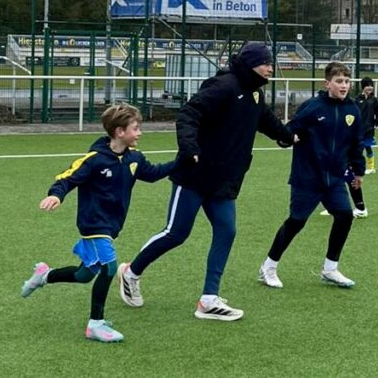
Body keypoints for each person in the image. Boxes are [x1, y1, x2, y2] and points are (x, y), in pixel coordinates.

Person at [119, 41, 295, 322]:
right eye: (266, 62)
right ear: (251, 64)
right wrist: (190, 148)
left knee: (227, 231)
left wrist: (287, 135)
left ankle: (209, 299)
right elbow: (189, 114)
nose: (271, 68)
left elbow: (266, 121)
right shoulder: (224, 86)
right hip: (194, 175)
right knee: (176, 233)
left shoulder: (255, 95)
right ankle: (130, 273)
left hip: (224, 181)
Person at [20, 104, 174, 343]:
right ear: (120, 131)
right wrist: (56, 194)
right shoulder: (94, 160)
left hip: (112, 226)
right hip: (93, 224)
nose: (140, 132)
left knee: (84, 274)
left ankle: (44, 276)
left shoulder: (134, 158)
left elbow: (153, 173)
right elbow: (67, 178)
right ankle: (95, 324)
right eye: (136, 128)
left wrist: (182, 162)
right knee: (109, 268)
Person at [259, 61, 365, 289]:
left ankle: (330, 269)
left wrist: (358, 170)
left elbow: (356, 143)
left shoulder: (353, 110)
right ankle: (268, 267)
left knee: (345, 215)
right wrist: (285, 139)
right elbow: (290, 130)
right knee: (296, 221)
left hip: (335, 178)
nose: (344, 86)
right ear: (327, 83)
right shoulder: (313, 107)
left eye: (347, 81)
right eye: (339, 81)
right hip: (308, 176)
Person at [357, 76, 378, 175]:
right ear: (363, 87)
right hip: (358, 129)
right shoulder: (357, 99)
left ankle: (371, 167)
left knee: (368, 147)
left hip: (369, 129)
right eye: (367, 85)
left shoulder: (374, 100)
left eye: (371, 85)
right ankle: (358, 167)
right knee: (357, 149)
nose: (370, 87)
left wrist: (376, 124)